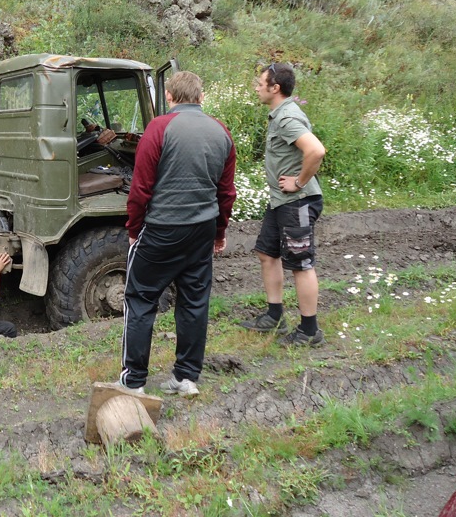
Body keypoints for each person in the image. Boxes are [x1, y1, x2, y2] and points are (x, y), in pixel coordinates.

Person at [120, 71, 237, 396]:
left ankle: (134, 382)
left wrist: (134, 229)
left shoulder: (158, 128)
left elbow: (140, 189)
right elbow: (226, 192)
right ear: (201, 98)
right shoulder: (221, 132)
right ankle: (186, 378)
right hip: (201, 231)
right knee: (194, 301)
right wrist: (219, 231)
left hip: (161, 229)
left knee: (140, 298)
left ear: (169, 97)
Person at [240, 62, 327, 346]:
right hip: (281, 201)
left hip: (297, 201)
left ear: (275, 88)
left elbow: (316, 151)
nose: (256, 86)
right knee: (267, 253)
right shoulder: (279, 115)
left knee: (300, 265)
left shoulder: (287, 117)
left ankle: (309, 331)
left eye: (260, 82)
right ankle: (274, 317)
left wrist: (299, 182)